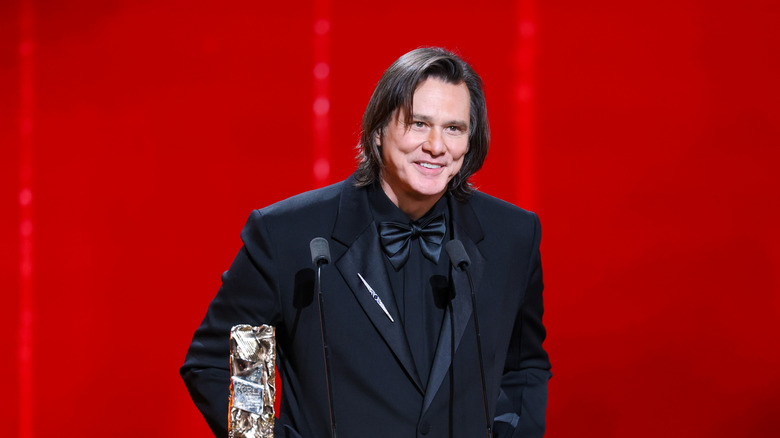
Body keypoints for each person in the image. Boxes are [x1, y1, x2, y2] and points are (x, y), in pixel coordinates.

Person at [181, 47, 551, 438]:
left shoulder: (511, 236)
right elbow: (223, 367)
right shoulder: (289, 235)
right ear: (378, 131)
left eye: (454, 128)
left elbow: (524, 368)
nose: (437, 146)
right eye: (418, 124)